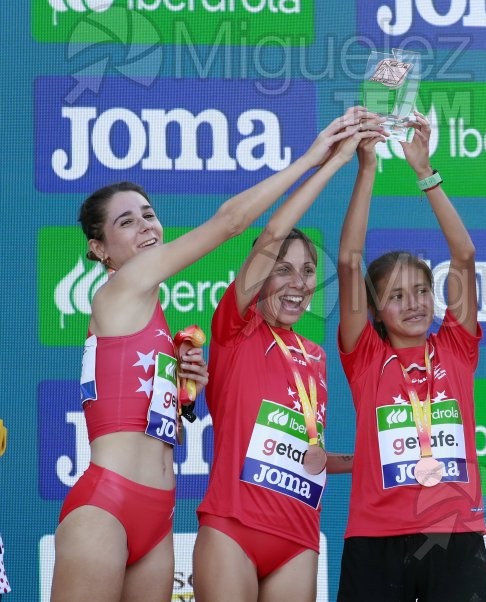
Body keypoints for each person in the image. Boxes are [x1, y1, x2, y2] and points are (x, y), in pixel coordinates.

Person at [51, 108, 367, 602]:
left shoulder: (154, 319)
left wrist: (181, 398)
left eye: (149, 214)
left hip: (158, 517)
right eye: (126, 222)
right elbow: (234, 222)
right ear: (99, 249)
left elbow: (159, 429)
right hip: (106, 504)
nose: (146, 226)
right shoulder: (121, 289)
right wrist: (313, 158)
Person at [191, 110, 384, 601]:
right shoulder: (235, 328)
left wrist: (370, 460)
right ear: (259, 278)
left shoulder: (316, 355)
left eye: (306, 272)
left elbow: (307, 455)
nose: (298, 284)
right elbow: (273, 232)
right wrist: (331, 162)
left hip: (299, 534)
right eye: (283, 271)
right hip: (234, 524)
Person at [336, 111, 486, 601]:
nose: (414, 304)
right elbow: (348, 261)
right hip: (375, 537)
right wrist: (366, 171)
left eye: (422, 291)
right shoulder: (365, 357)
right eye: (397, 296)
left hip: (454, 533)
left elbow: (464, 254)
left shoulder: (456, 347)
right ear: (377, 310)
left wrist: (425, 173)